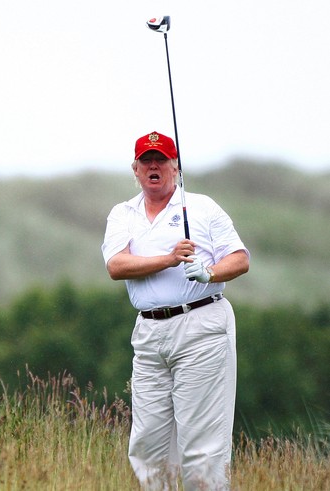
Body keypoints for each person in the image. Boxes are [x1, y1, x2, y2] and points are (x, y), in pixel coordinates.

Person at [102, 131, 250, 490]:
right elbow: (116, 265)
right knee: (148, 444)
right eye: (147, 161)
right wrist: (170, 259)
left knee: (201, 445)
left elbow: (240, 259)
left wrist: (208, 271)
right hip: (150, 332)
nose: (155, 166)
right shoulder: (124, 213)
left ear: (175, 167)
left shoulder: (202, 207)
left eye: (162, 160)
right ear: (135, 169)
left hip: (201, 325)